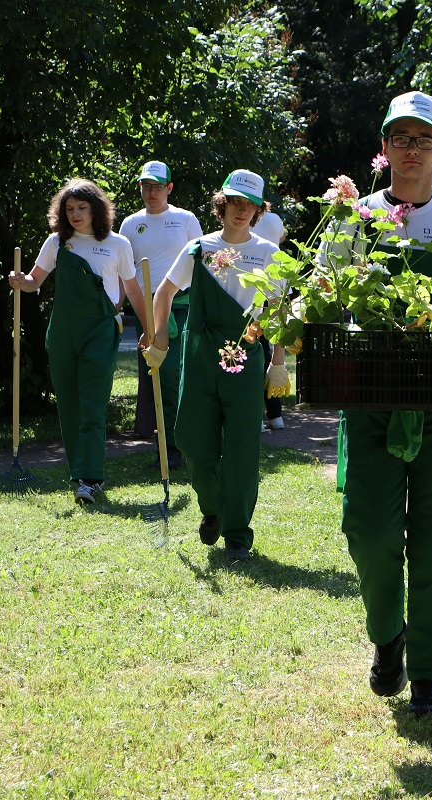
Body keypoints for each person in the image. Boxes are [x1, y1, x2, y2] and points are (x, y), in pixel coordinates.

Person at [324, 90, 432, 714]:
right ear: (385, 148)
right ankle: (387, 637)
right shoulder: (353, 218)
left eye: (425, 140)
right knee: (369, 531)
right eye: (402, 139)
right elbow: (327, 300)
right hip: (372, 397)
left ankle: (428, 669)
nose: (413, 150)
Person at [143, 170, 289, 563]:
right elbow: (164, 292)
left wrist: (279, 362)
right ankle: (211, 508)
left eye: (250, 205)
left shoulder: (268, 254)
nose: (242, 212)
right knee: (192, 441)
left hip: (246, 357)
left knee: (242, 450)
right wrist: (160, 338)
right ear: (222, 204)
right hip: (201, 357)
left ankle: (238, 534)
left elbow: (279, 311)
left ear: (259, 211)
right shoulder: (199, 248)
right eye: (235, 203)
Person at [8, 178, 148, 505]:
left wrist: (149, 329)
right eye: (69, 209)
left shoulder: (118, 244)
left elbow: (132, 290)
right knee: (69, 405)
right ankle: (79, 472)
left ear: (96, 209)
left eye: (81, 208)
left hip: (100, 330)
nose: (75, 214)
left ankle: (90, 478)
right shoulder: (57, 242)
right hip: (63, 332)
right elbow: (34, 280)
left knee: (93, 404)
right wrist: (19, 281)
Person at [118, 160, 203, 468]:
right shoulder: (130, 223)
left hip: (182, 308)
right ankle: (167, 449)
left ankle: (184, 446)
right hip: (146, 309)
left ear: (169, 188)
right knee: (157, 379)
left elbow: (203, 262)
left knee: (176, 378)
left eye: (157, 187)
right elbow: (122, 272)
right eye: (146, 186)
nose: (151, 193)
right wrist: (115, 308)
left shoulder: (185, 219)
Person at [252, 200, 288, 431]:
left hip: (252, 288)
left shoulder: (244, 219)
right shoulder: (275, 220)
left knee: (255, 353)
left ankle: (256, 414)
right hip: (273, 286)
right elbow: (282, 237)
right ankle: (275, 415)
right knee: (272, 347)